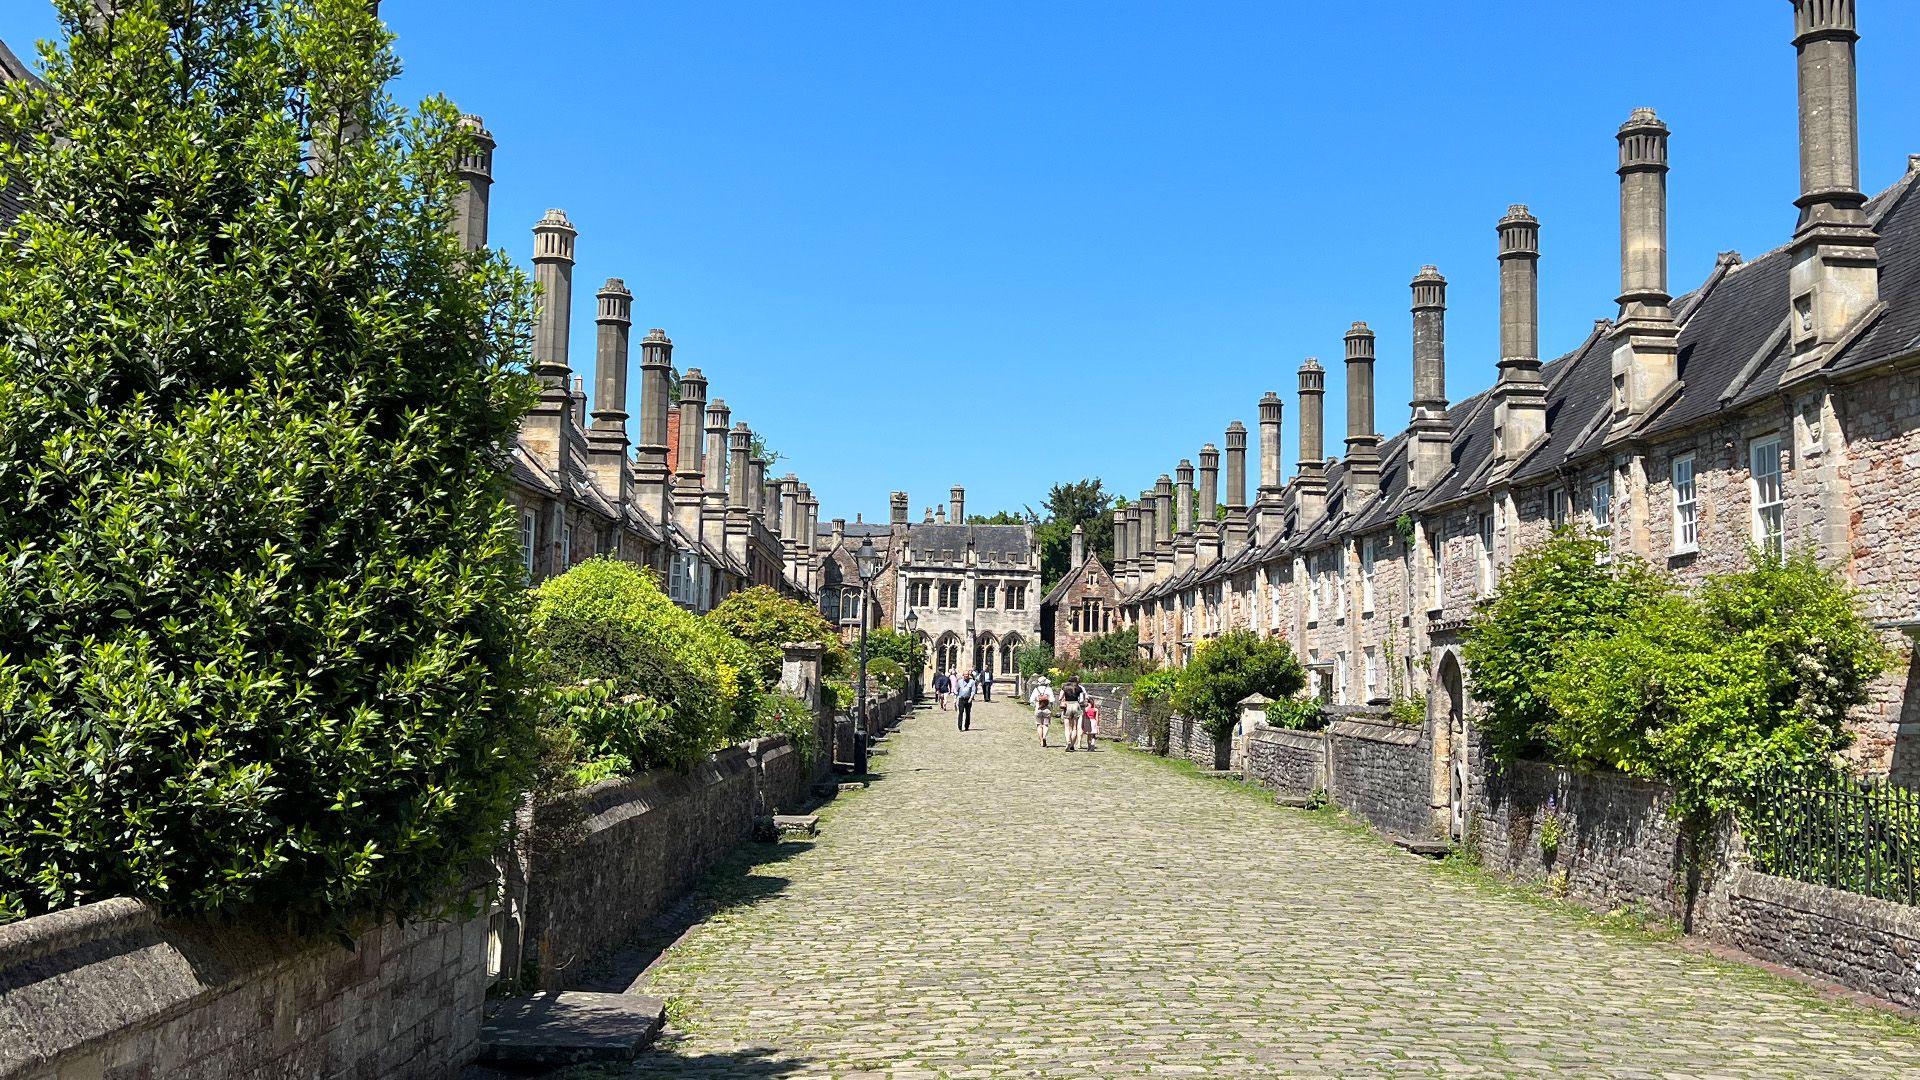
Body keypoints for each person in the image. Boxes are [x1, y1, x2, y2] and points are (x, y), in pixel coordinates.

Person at [1059, 676, 1086, 751]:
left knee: (1067, 727)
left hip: (1067, 705)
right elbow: (1081, 700)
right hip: (1076, 705)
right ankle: (1071, 745)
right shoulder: (1079, 688)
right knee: (1075, 727)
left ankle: (1068, 741)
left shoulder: (1064, 687)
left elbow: (1060, 698)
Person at [1029, 675, 1053, 747]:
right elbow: (1052, 700)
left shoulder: (1036, 690)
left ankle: (1041, 740)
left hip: (1038, 709)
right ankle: (1044, 737)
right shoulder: (1048, 689)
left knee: (1039, 725)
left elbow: (1031, 700)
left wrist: (1036, 704)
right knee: (1046, 725)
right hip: (1047, 709)